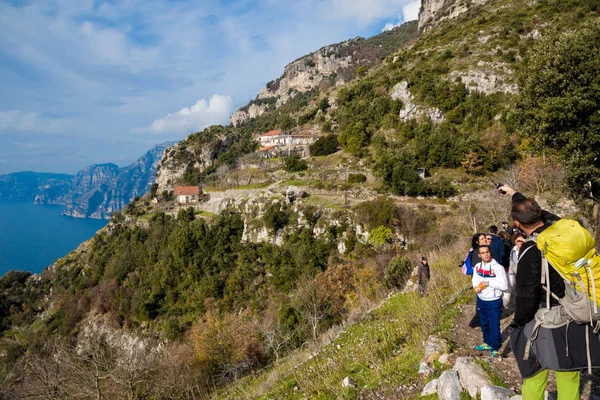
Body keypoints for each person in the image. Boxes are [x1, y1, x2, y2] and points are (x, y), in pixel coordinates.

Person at [500, 185, 582, 400]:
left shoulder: (530, 250)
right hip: (574, 310)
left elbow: (527, 295)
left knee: (535, 373)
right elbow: (541, 214)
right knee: (568, 372)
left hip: (544, 318)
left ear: (517, 224)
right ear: (540, 214)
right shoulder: (561, 229)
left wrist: (518, 323)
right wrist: (513, 194)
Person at [472, 244, 508, 357]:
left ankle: (496, 347)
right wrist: (477, 287)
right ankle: (487, 342)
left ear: (490, 252)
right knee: (484, 322)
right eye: (482, 253)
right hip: (481, 299)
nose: (485, 254)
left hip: (494, 300)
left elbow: (504, 286)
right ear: (479, 255)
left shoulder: (498, 268)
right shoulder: (477, 266)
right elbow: (475, 280)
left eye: (487, 252)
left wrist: (488, 283)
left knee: (494, 324)